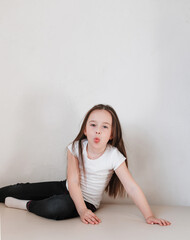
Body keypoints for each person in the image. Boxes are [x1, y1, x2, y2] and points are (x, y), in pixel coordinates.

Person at [0, 104, 171, 226]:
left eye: (105, 127)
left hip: (87, 202)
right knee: (19, 189)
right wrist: (80, 210)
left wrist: (149, 216)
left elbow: (132, 188)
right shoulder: (75, 148)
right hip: (65, 187)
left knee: (56, 207)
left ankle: (26, 205)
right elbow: (73, 182)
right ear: (85, 130)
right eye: (93, 125)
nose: (98, 130)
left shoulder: (114, 156)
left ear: (111, 134)